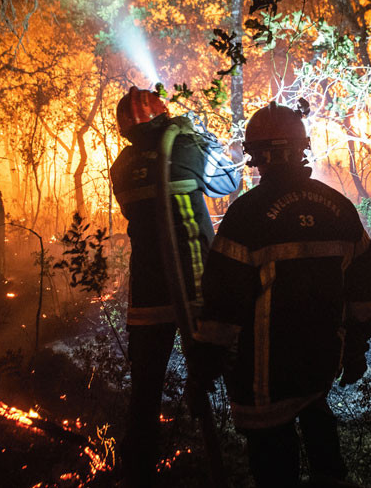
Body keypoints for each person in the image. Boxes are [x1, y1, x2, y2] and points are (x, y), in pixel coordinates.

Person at [193, 102, 371, 487]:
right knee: (321, 439)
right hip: (320, 363)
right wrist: (357, 347)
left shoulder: (245, 216)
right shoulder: (341, 210)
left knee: (275, 467)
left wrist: (203, 369)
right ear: (302, 148)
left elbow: (223, 305)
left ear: (255, 156)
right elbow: (360, 291)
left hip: (265, 375)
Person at [109, 86, 241, 487]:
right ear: (163, 116)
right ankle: (239, 459)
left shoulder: (122, 166)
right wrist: (199, 134)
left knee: (144, 396)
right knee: (228, 371)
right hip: (197, 290)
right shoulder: (185, 148)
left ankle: (138, 474)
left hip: (148, 297)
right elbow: (229, 181)